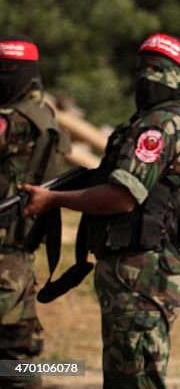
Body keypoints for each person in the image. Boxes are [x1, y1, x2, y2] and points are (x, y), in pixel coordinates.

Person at [22, 33, 180, 389]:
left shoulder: (160, 125)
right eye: (143, 67)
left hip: (143, 272)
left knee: (134, 379)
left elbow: (122, 197)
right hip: (137, 271)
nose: (146, 76)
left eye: (158, 69)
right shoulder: (159, 120)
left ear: (179, 78)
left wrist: (54, 200)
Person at [0, 36, 68, 388]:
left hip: (6, 252)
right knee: (14, 356)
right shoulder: (44, 113)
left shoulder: (15, 120)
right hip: (19, 252)